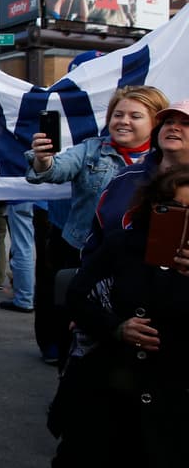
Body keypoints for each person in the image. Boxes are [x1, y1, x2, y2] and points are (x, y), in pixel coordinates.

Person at [37, 165, 189, 468]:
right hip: (109, 370)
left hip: (173, 382)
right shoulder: (124, 245)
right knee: (76, 461)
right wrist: (116, 327)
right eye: (173, 209)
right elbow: (78, 295)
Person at [26, 85, 168, 357]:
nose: (123, 121)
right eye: (118, 114)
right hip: (83, 256)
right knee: (80, 332)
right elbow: (53, 170)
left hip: (140, 264)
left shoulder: (165, 161)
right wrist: (43, 160)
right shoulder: (91, 150)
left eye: (135, 116)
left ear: (156, 121)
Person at [84, 98, 189, 257]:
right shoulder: (125, 178)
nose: (174, 127)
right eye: (168, 122)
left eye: (186, 123)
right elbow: (96, 238)